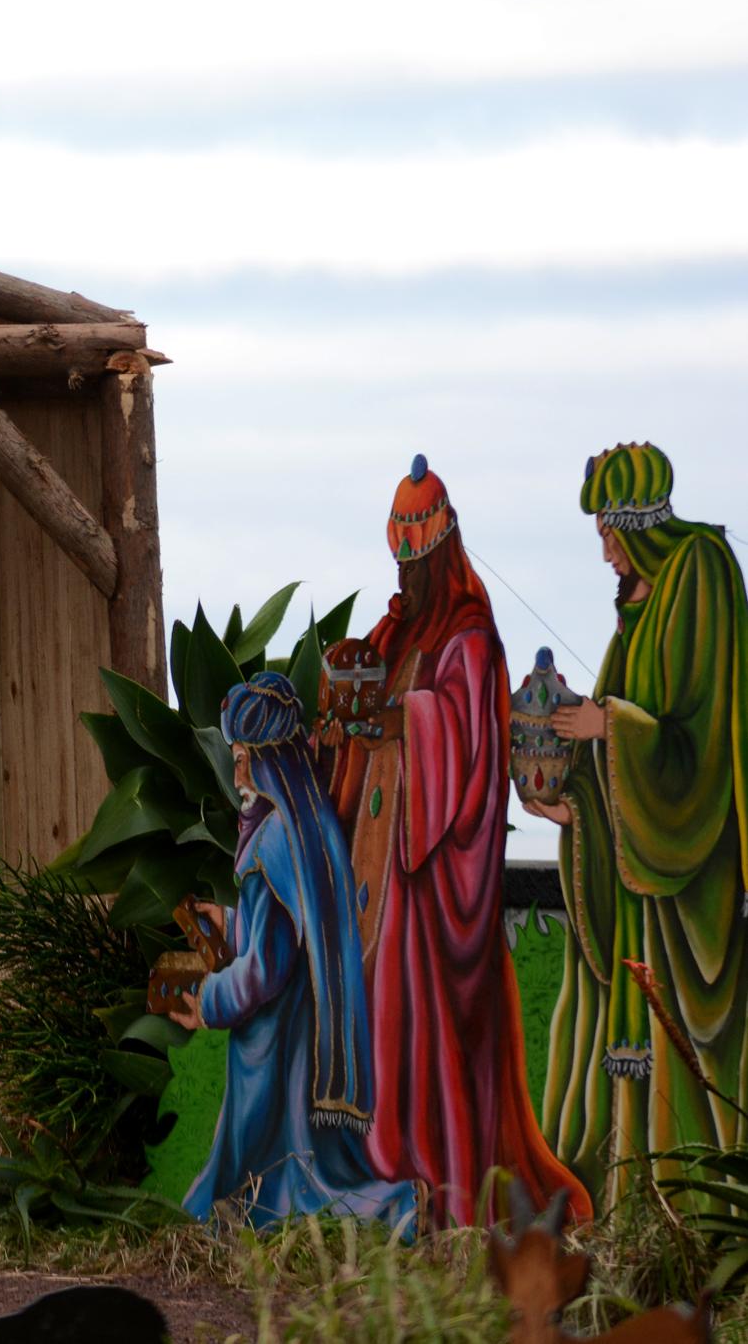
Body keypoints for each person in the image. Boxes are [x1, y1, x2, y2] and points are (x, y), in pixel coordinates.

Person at [320, 456, 589, 1227]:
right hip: (378, 871)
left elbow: (468, 745)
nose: (407, 574)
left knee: (419, 1029)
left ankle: (436, 1187)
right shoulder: (397, 626)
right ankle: (379, 1178)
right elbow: (362, 696)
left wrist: (404, 718)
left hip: (427, 886)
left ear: (441, 551)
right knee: (378, 1025)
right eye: (399, 559)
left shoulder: (469, 638)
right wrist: (349, 670)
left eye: (417, 558)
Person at [526, 443, 748, 1198]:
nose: (605, 554)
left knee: (683, 1048)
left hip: (690, 867)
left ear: (636, 524)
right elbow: (605, 741)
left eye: (608, 535)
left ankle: (691, 1213)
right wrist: (568, 806)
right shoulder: (641, 602)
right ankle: (633, 1211)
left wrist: (608, 725)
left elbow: (700, 738)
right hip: (638, 880)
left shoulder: (703, 573)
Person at [175, 674, 420, 1230]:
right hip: (307, 1031)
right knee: (299, 1166)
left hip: (275, 1043)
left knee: (272, 1172)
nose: (237, 776)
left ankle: (388, 1207)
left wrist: (206, 1000)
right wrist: (231, 921)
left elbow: (264, 969)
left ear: (268, 761)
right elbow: (286, 927)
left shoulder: (269, 842)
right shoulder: (308, 827)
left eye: (244, 760)